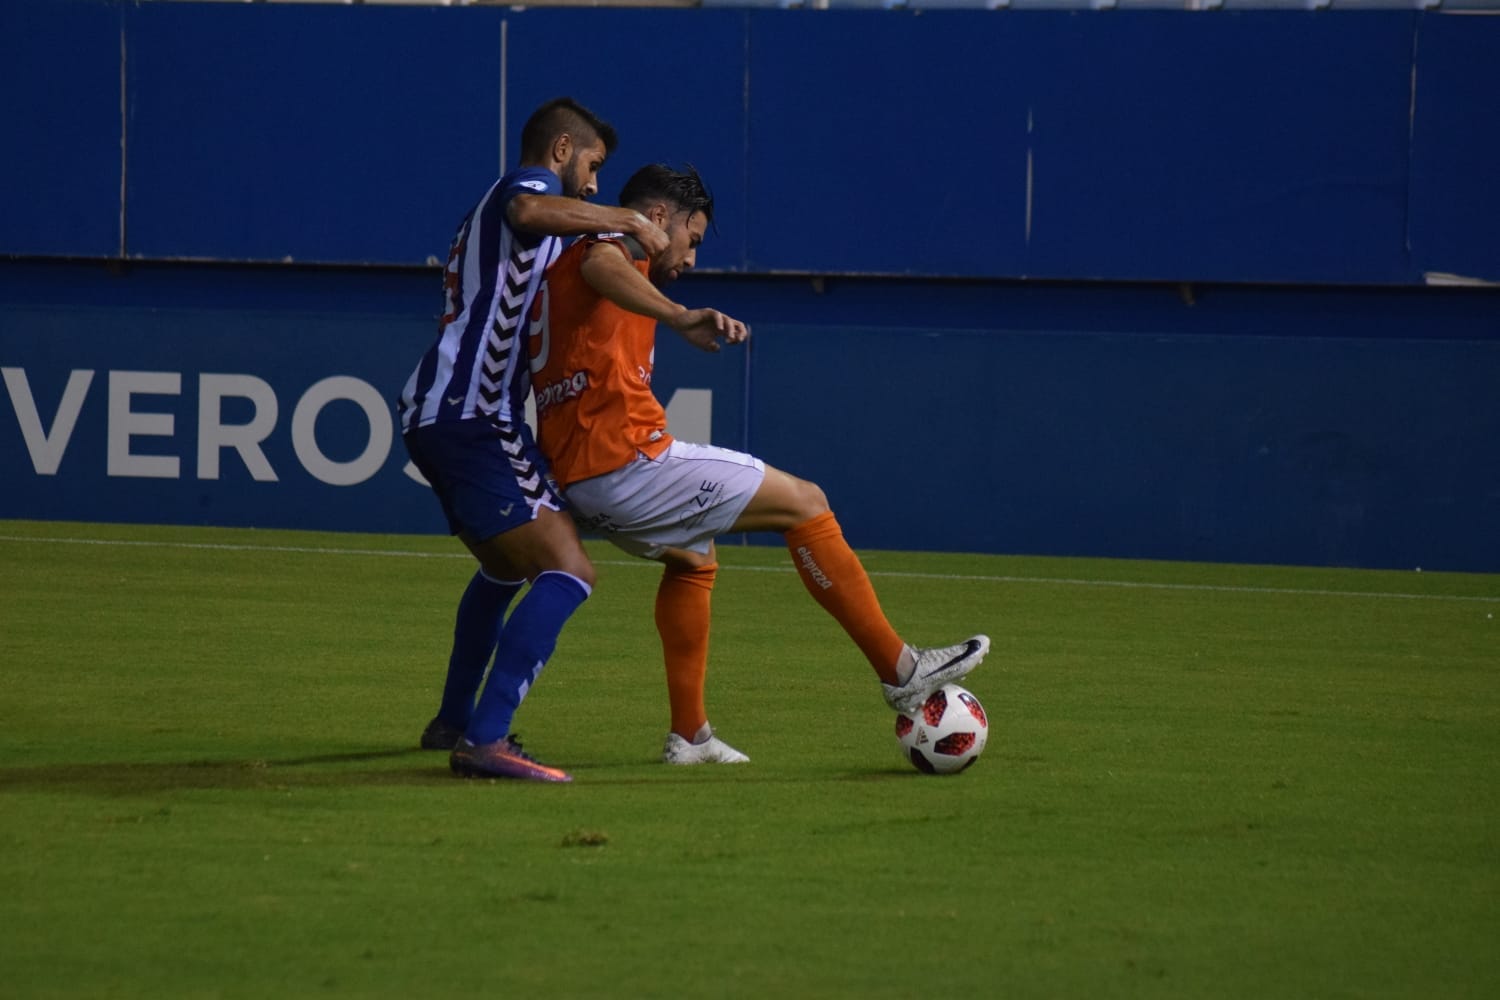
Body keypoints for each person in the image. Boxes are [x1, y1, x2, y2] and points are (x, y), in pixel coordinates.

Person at [526, 163, 989, 765]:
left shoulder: (580, 269)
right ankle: (901, 669)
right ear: (660, 218)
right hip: (627, 462)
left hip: (588, 475)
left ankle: (690, 737)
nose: (690, 259)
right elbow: (601, 262)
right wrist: (677, 314)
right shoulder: (605, 248)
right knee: (806, 503)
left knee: (693, 558)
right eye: (693, 239)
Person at [397, 98, 669, 783]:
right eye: (593, 166)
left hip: (449, 412)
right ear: (561, 151)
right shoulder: (529, 191)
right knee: (569, 571)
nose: (595, 184)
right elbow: (530, 210)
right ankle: (485, 741)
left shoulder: (539, 224)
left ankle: (454, 720)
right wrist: (629, 218)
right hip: (471, 415)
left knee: (505, 568)